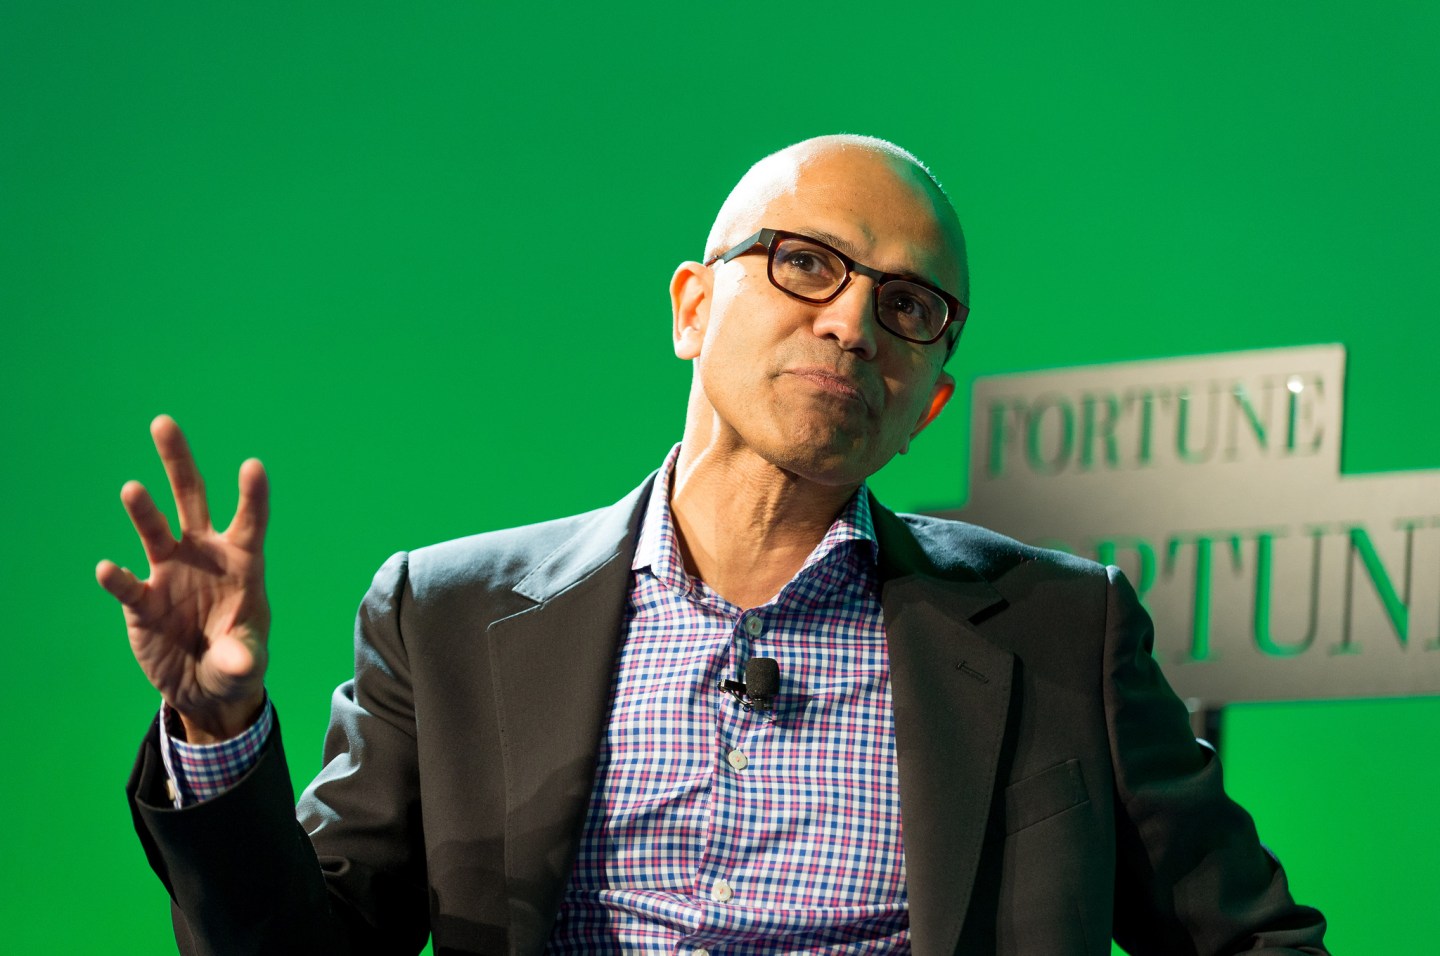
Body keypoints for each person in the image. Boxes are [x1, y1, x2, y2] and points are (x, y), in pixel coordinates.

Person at [100, 135, 1330, 956]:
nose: (852, 322)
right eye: (807, 264)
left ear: (930, 401)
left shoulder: (1063, 631)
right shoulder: (449, 612)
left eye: (908, 305)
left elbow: (1253, 938)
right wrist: (217, 723)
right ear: (693, 306)